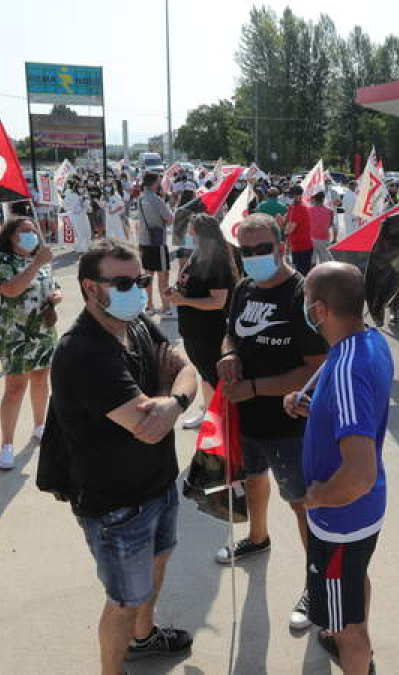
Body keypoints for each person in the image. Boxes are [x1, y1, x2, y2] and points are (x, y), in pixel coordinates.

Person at [48, 240, 198, 671]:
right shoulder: (85, 352)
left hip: (158, 484)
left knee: (157, 566)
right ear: (90, 289)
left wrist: (174, 404)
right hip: (116, 505)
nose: (138, 290)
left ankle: (144, 638)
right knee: (123, 602)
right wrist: (173, 400)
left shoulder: (134, 324)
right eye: (125, 282)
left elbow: (186, 369)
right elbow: (145, 426)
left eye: (142, 280)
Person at [215, 213, 328, 631]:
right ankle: (257, 538)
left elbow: (317, 369)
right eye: (246, 250)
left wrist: (258, 387)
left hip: (291, 425)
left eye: (263, 248)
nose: (255, 256)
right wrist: (229, 355)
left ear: (282, 247)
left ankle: (316, 586)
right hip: (246, 417)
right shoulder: (243, 288)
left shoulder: (302, 295)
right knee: (253, 479)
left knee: (301, 504)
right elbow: (231, 334)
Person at [284, 262, 392, 674]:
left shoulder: (346, 367)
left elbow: (359, 475)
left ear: (321, 310)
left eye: (307, 303)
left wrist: (316, 498)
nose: (305, 310)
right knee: (353, 588)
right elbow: (353, 413)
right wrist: (309, 405)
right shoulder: (367, 342)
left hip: (340, 519)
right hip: (357, 520)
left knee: (347, 629)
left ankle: (355, 658)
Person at [0, 218, 60, 471]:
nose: (31, 234)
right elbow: (10, 290)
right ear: (10, 236)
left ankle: (40, 426)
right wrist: (38, 263)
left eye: (33, 230)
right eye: (25, 231)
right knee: (14, 389)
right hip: (15, 337)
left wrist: (55, 295)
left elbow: (52, 285)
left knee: (41, 380)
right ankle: (6, 445)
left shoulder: (41, 260)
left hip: (43, 333)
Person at [163, 214, 237, 429]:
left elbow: (217, 301)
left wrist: (183, 299)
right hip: (192, 329)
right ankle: (208, 413)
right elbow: (192, 286)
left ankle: (224, 421)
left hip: (208, 331)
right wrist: (176, 291)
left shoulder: (215, 259)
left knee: (214, 377)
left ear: (200, 232)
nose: (188, 232)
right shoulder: (198, 253)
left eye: (191, 229)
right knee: (205, 376)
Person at [137, 173, 174, 316]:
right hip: (157, 242)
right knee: (163, 275)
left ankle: (149, 305)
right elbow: (169, 219)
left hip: (144, 241)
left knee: (148, 275)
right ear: (154, 184)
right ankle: (165, 308)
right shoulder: (156, 200)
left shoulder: (140, 198)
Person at [285, 186, 315, 275]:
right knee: (302, 271)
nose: (290, 197)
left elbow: (290, 228)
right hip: (300, 245)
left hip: (301, 246)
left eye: (291, 195)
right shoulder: (295, 206)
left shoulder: (298, 208)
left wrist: (284, 230)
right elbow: (287, 221)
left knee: (301, 273)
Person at [308, 191, 335, 265]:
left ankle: (312, 276)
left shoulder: (308, 210)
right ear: (323, 199)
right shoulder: (330, 211)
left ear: (314, 199)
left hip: (311, 239)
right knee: (325, 263)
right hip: (324, 239)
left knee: (312, 262)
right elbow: (331, 225)